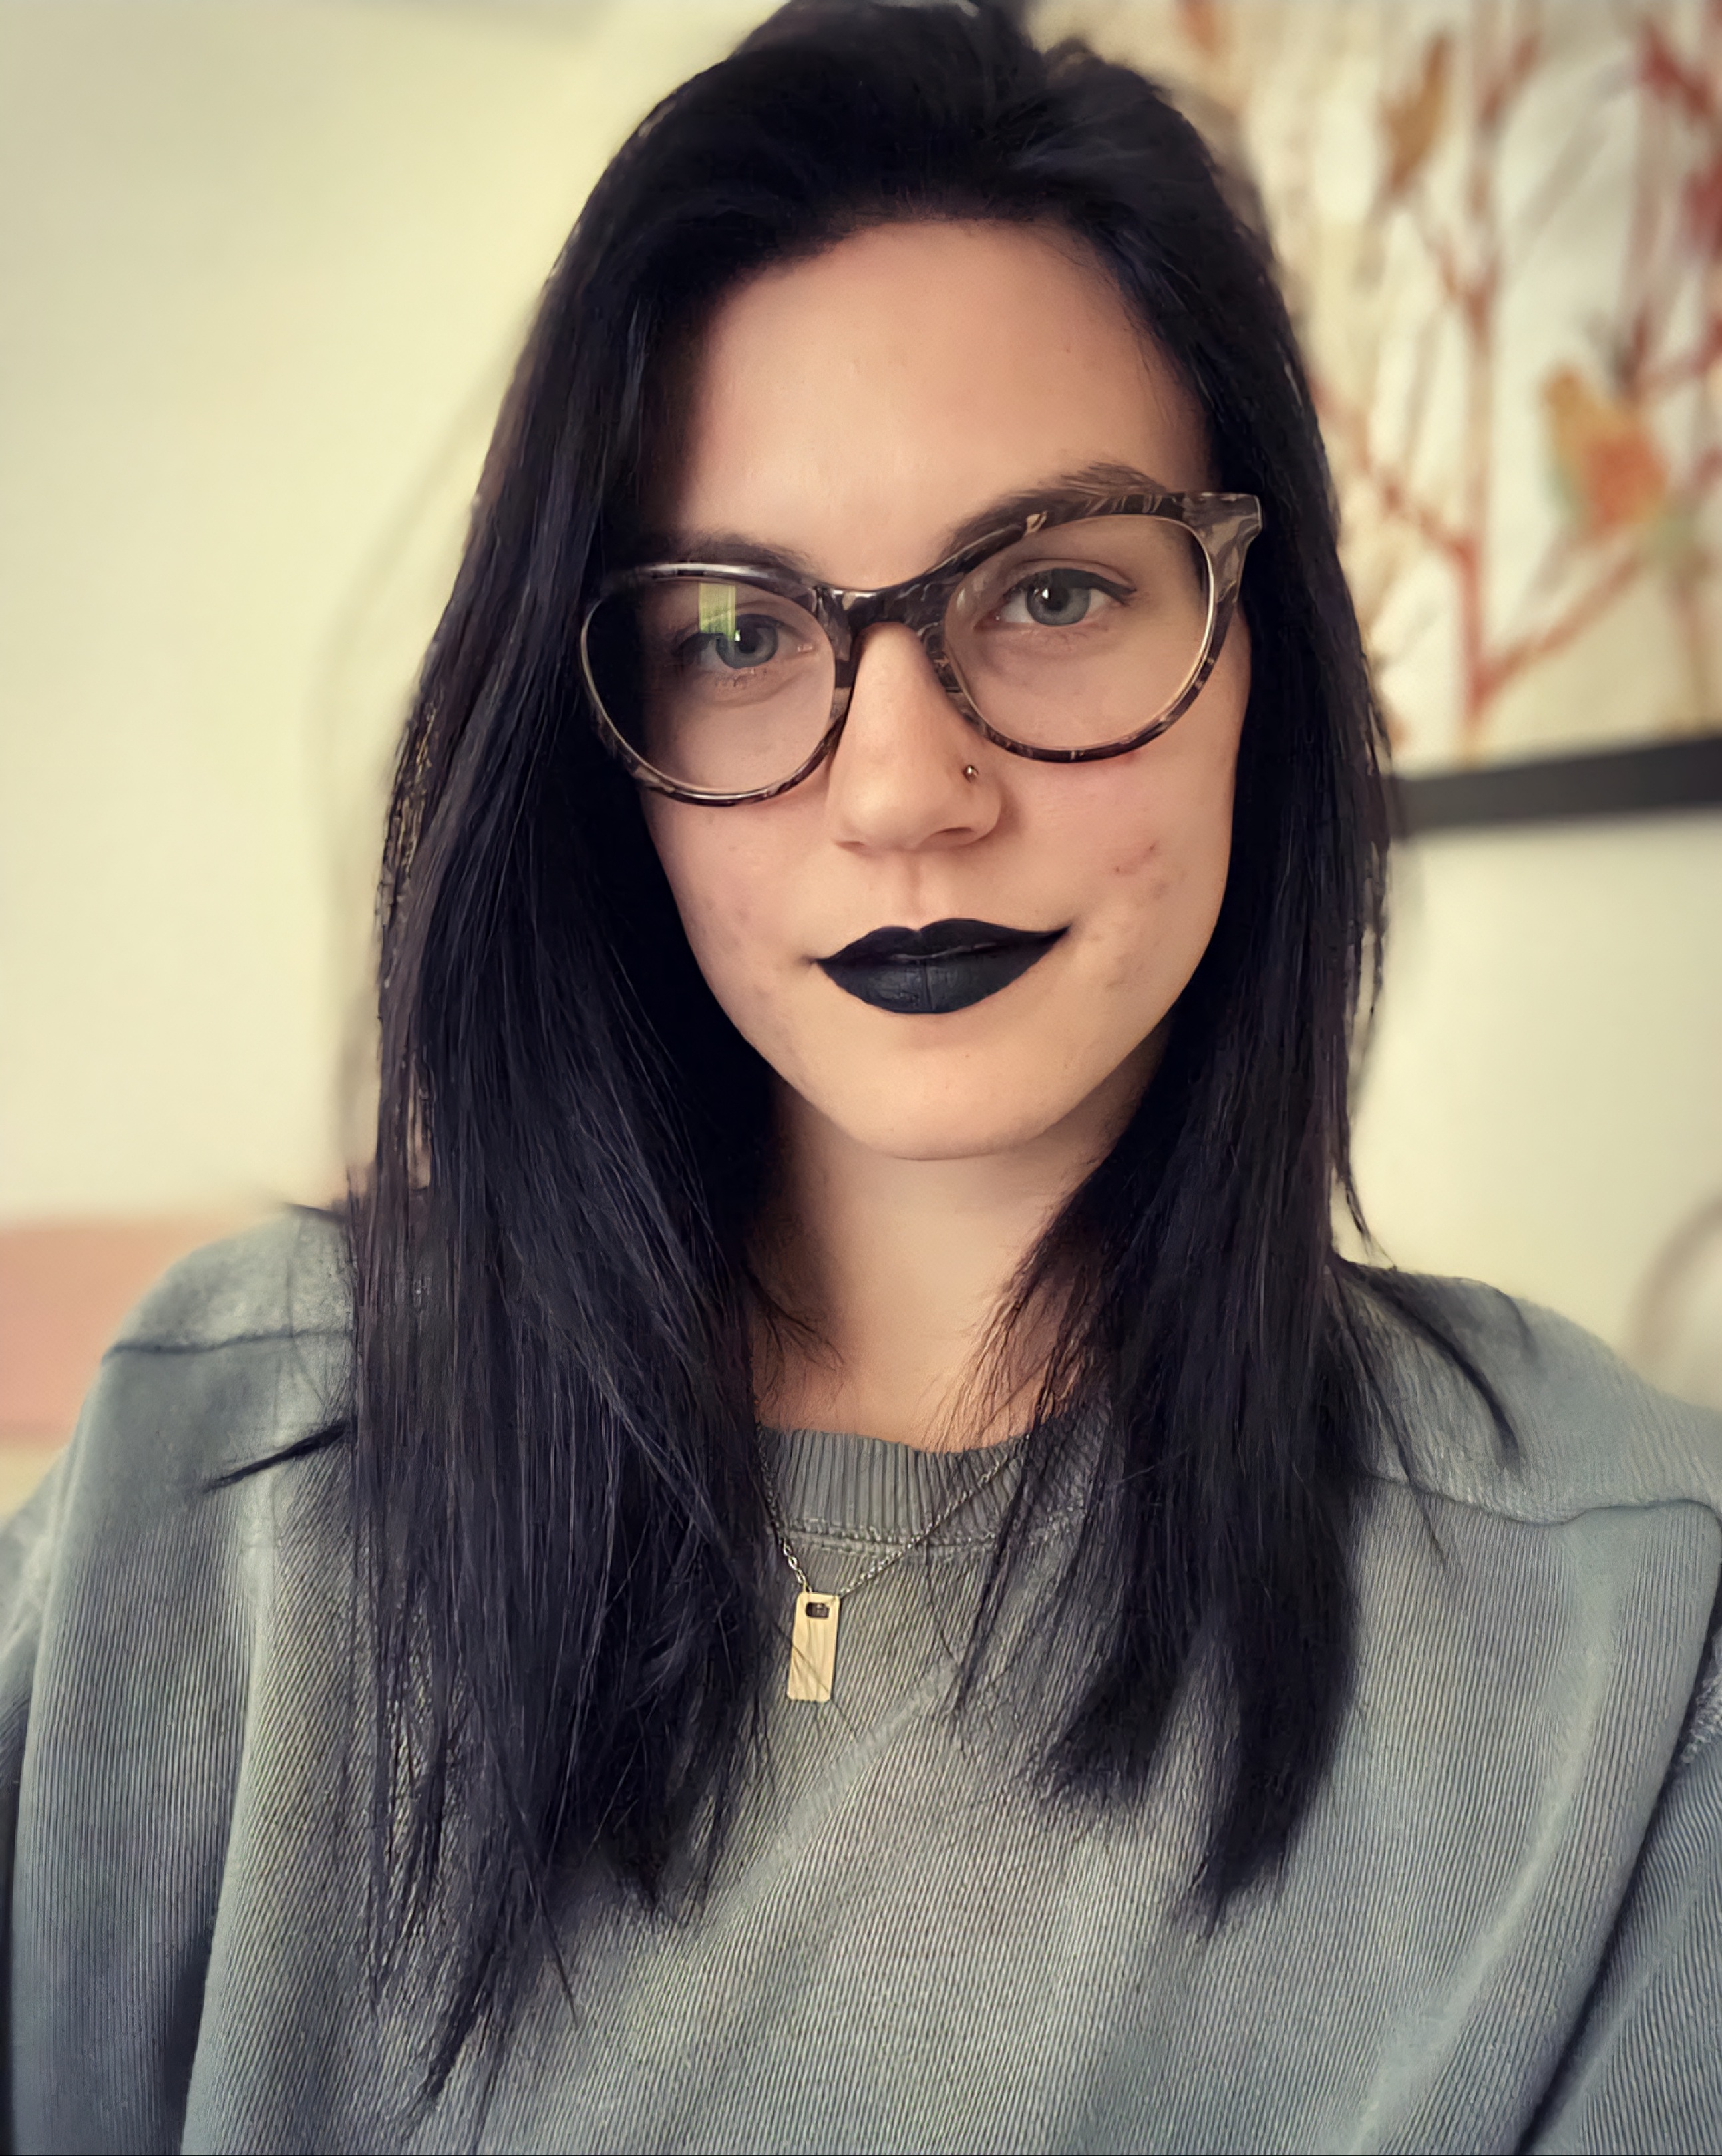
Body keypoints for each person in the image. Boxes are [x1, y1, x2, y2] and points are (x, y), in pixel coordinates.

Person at [5, 5, 1720, 2149]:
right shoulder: (216, 1459)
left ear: (1255, 658)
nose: (906, 790)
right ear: (605, 735)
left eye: (1057, 590)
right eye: (735, 632)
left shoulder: (1632, 1635)